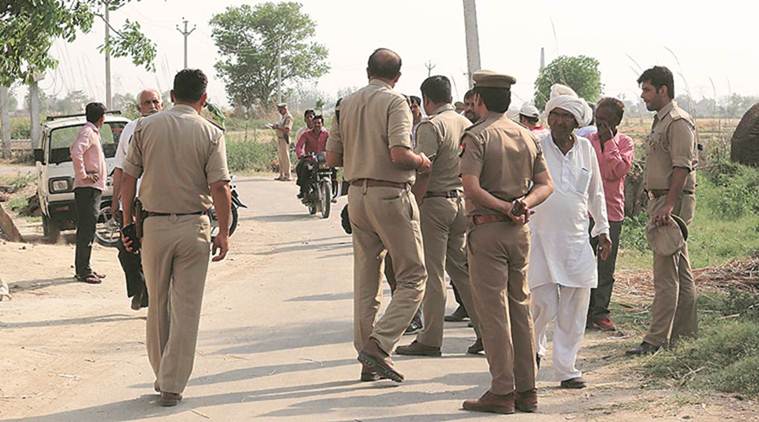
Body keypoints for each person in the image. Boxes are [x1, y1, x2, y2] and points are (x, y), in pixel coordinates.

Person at [121, 69, 231, 406]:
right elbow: (220, 186)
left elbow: (127, 178)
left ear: (170, 95)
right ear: (204, 98)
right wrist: (223, 232)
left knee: (157, 306)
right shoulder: (211, 133)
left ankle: (163, 374)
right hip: (193, 227)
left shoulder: (144, 126)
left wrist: (127, 223)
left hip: (153, 228)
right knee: (187, 308)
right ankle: (172, 382)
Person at [326, 48, 431, 383]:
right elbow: (399, 153)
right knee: (414, 276)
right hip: (390, 193)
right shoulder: (395, 102)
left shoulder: (346, 104)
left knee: (366, 279)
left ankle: (366, 357)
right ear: (397, 77)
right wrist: (422, 162)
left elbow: (331, 159)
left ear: (366, 70)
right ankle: (379, 345)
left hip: (357, 194)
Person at [460, 70, 553, 415]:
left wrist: (503, 207)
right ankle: (527, 390)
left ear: (479, 101)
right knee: (520, 308)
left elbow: (471, 187)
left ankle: (502, 390)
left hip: (488, 230)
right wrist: (522, 205)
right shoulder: (527, 136)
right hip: (519, 232)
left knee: (493, 312)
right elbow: (546, 185)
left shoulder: (478, 136)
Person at [528, 84, 612, 390]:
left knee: (576, 305)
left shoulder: (586, 149)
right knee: (543, 303)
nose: (560, 121)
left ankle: (566, 369)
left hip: (577, 239)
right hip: (540, 236)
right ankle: (532, 351)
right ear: (549, 117)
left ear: (577, 122)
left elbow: (595, 193)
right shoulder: (536, 144)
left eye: (567, 117)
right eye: (556, 115)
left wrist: (602, 230)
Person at [396, 75, 483, 357]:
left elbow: (424, 168)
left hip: (435, 203)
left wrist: (414, 203)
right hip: (461, 201)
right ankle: (485, 331)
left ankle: (430, 339)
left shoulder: (431, 126)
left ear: (426, 100)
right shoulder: (466, 123)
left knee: (433, 274)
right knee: (462, 271)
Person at [627, 66, 698, 356]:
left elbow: (682, 166)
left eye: (646, 90)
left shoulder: (678, 122)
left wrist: (668, 204)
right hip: (662, 199)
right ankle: (684, 337)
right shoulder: (661, 121)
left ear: (662, 90)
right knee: (680, 269)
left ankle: (656, 340)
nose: (643, 96)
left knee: (665, 273)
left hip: (673, 201)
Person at [111, 89, 163, 310]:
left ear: (162, 105)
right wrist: (117, 202)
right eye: (146, 103)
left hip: (159, 203)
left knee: (155, 255)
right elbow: (121, 170)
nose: (151, 106)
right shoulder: (130, 130)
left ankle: (153, 297)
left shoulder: (168, 127)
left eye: (155, 102)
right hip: (134, 202)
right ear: (139, 108)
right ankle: (140, 289)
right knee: (126, 251)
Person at [587, 98, 635, 331]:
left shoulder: (625, 143)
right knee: (584, 262)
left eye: (605, 121)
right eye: (598, 119)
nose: (600, 125)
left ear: (616, 121)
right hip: (586, 212)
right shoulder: (586, 141)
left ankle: (600, 312)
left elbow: (615, 172)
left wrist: (609, 144)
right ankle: (584, 312)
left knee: (605, 265)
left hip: (612, 211)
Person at [70, 102, 108, 285]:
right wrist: (83, 175)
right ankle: (83, 271)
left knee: (88, 229)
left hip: (92, 188)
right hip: (87, 189)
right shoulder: (88, 132)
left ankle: (85, 268)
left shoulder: (92, 132)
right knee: (87, 229)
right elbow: (76, 151)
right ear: (102, 118)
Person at [295, 114, 329, 198]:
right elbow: (299, 146)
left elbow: (333, 144)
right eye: (315, 123)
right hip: (310, 159)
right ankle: (304, 191)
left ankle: (333, 192)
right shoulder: (306, 134)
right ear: (312, 124)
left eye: (319, 123)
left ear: (322, 124)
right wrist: (301, 154)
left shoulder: (327, 134)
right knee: (303, 168)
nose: (317, 125)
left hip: (324, 159)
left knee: (335, 169)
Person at [271, 103, 293, 181]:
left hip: (284, 138)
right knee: (281, 158)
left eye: (280, 109)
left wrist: (277, 127)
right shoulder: (283, 117)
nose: (279, 111)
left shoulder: (288, 117)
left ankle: (288, 175)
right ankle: (282, 175)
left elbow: (287, 129)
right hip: (280, 139)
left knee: (285, 157)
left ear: (285, 109)